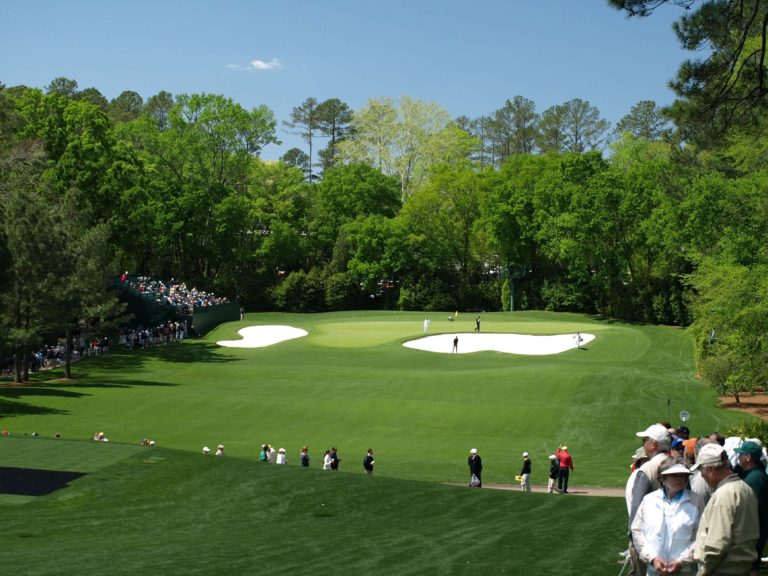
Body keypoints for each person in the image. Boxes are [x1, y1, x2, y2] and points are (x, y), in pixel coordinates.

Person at [692, 442, 759, 575]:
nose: (701, 475)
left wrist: (703, 571)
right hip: (741, 569)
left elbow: (717, 544)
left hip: (721, 570)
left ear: (710, 470)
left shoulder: (724, 494)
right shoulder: (745, 488)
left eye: (701, 470)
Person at [631, 461, 700, 576]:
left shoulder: (696, 500)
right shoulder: (649, 500)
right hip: (654, 570)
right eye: (674, 475)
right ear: (662, 478)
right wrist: (653, 558)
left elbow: (701, 535)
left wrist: (682, 561)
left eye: (682, 475)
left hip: (685, 571)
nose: (679, 479)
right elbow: (637, 531)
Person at [628, 424, 672, 576]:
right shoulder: (677, 464)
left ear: (653, 444)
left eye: (645, 440)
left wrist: (633, 540)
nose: (643, 444)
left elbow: (637, 511)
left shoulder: (647, 469)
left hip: (649, 544)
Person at [735, 440, 768, 576]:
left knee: (750, 568)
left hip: (754, 534)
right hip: (758, 531)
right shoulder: (758, 474)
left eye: (741, 455)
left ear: (748, 458)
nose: (738, 458)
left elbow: (751, 510)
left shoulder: (752, 479)